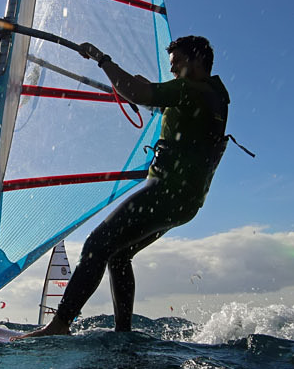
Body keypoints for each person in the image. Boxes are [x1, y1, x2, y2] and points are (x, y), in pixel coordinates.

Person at [14, 35, 229, 339]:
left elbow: (139, 91)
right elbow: (159, 100)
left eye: (177, 63)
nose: (172, 71)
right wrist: (141, 91)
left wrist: (103, 59)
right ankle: (123, 334)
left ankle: (60, 324)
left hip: (166, 192)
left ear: (196, 60)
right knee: (118, 254)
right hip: (187, 202)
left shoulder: (191, 89)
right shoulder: (214, 95)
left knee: (96, 245)